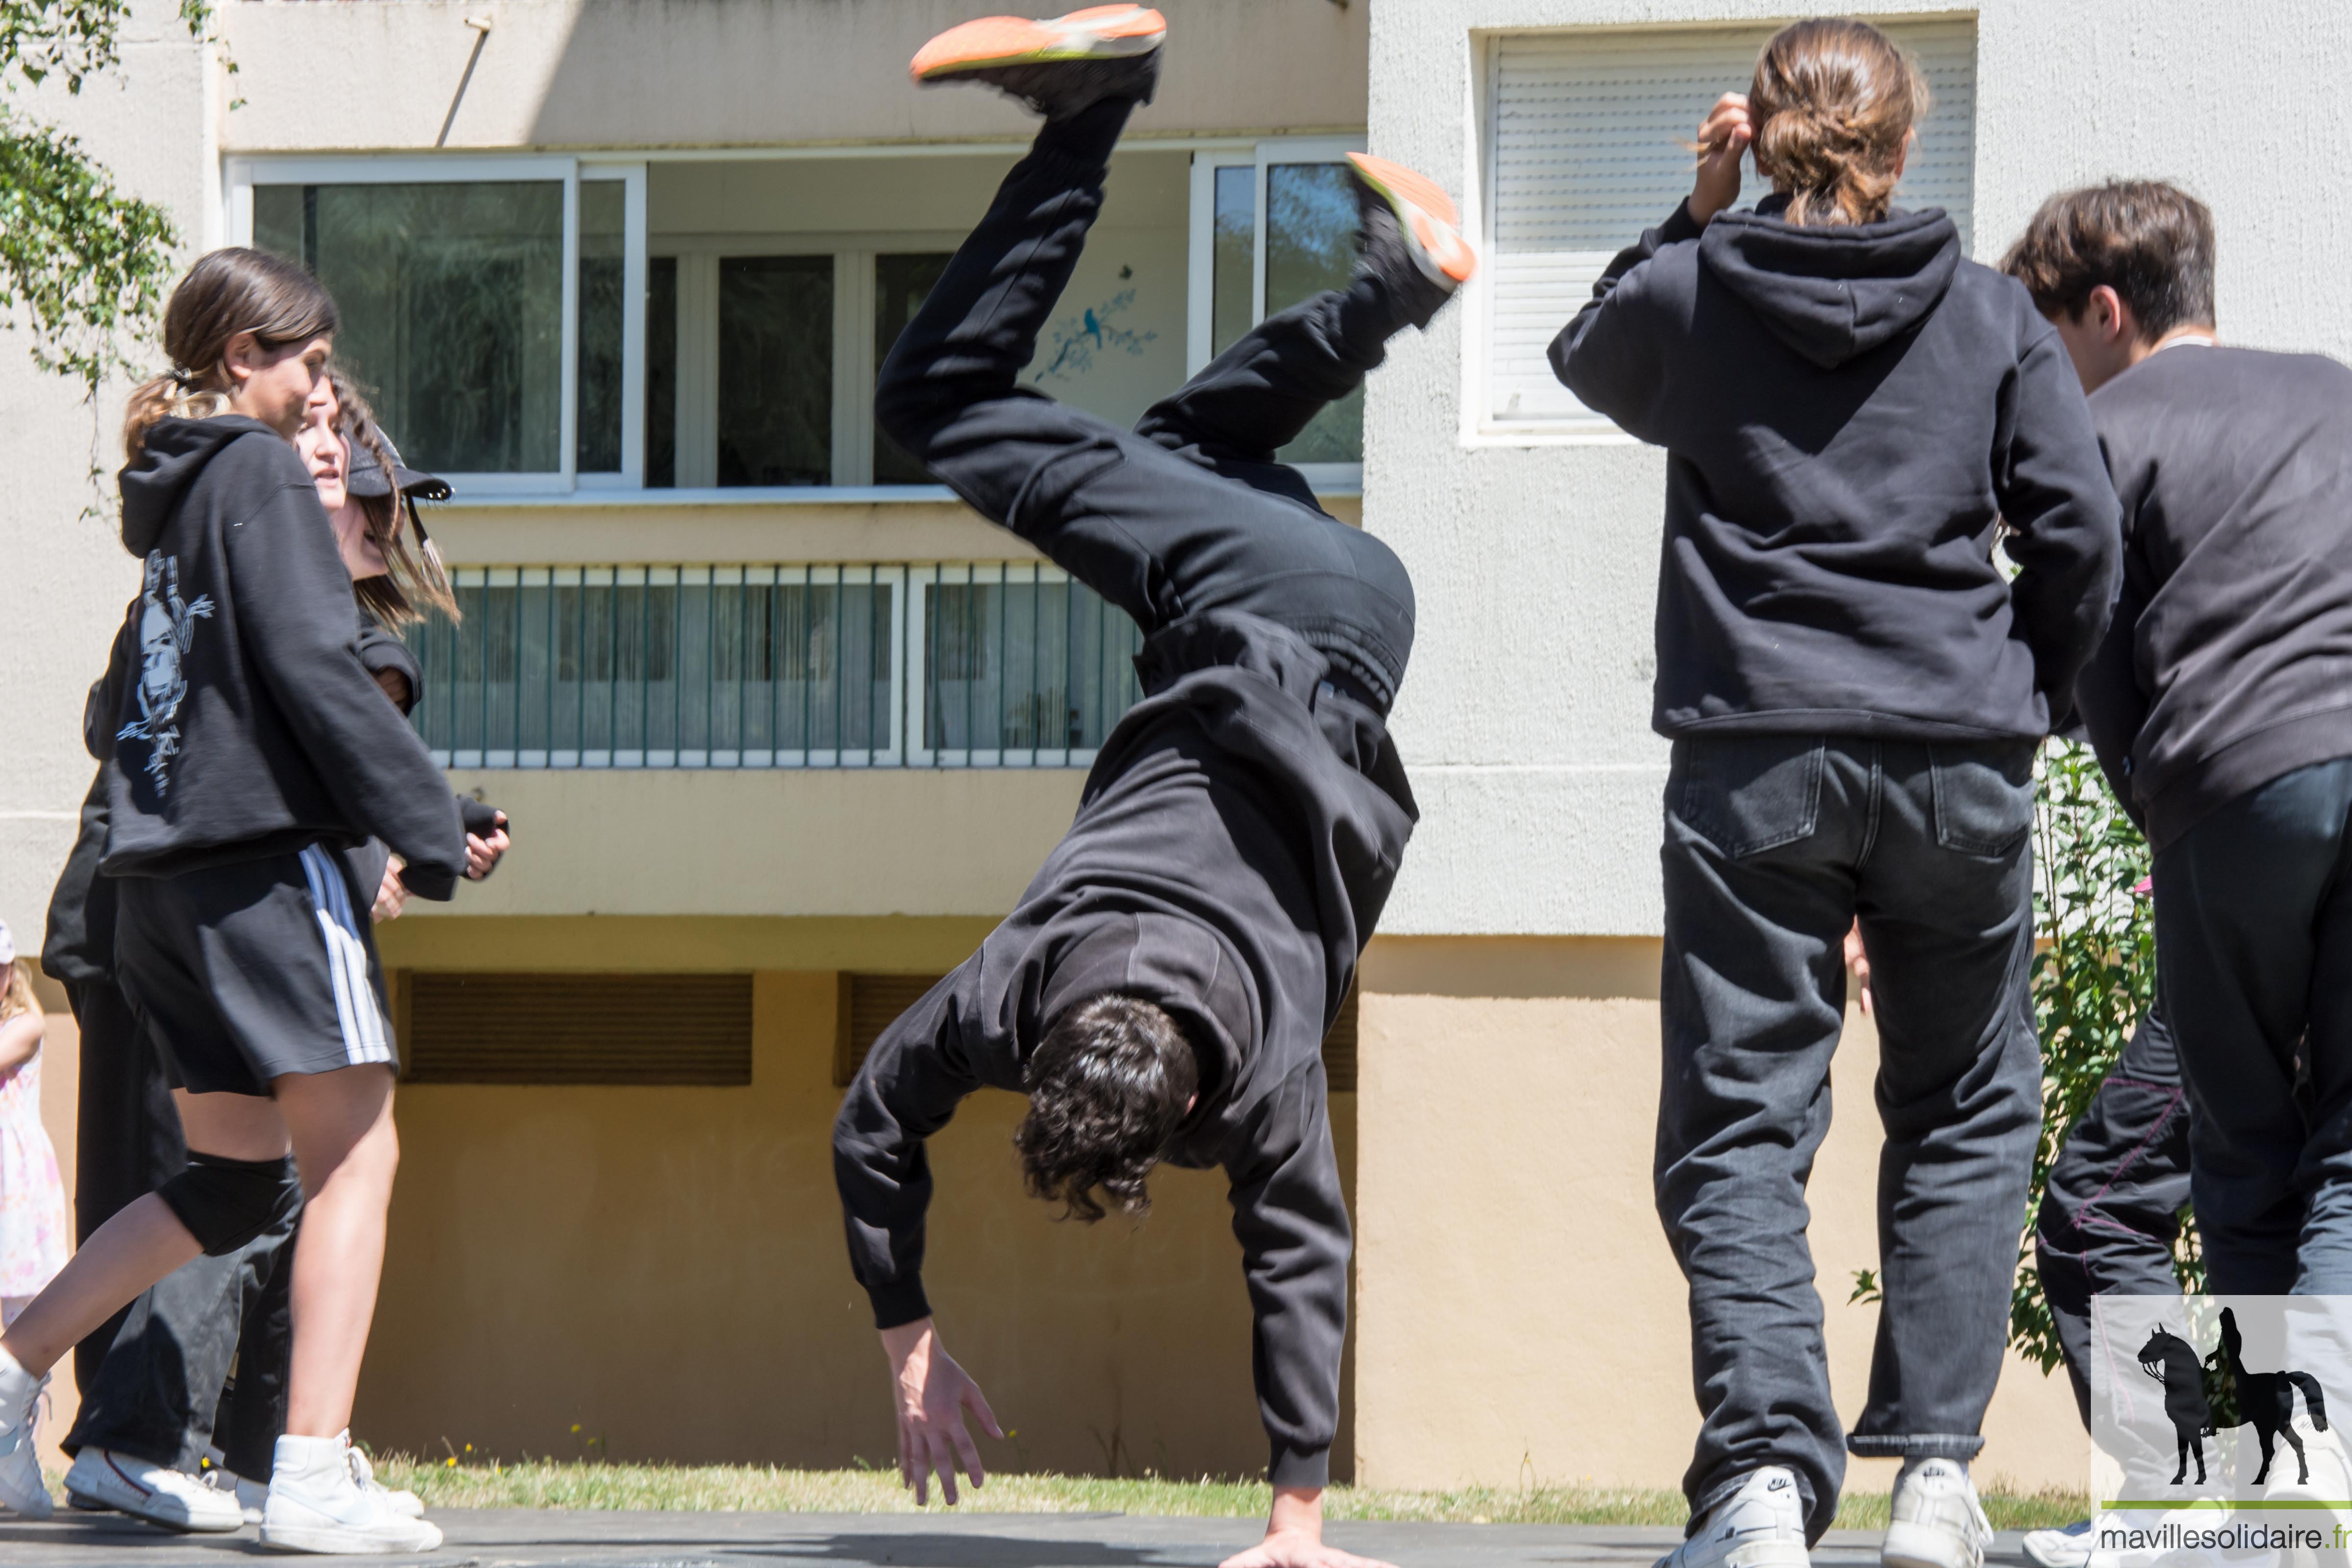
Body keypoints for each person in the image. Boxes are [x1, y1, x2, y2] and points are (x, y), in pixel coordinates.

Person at [832, 11, 1469, 1568]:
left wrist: (1296, 1522)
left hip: (1335, 627)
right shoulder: (1003, 994)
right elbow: (866, 1126)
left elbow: (1300, 1251)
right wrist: (900, 1328)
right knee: (941, 405)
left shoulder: (1253, 1061)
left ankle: (1355, 253)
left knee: (1159, 433)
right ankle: (1136, 137)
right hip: (1260, 601)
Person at [1549, 20, 2121, 1568]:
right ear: (1900, 144)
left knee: (1738, 1125)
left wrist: (1695, 211)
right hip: (1957, 752)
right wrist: (2037, 694)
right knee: (1963, 1106)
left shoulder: (1693, 286)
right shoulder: (1994, 312)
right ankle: (1934, 1479)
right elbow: (2077, 529)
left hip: (1755, 756)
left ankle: (1757, 1487)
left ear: (1764, 133)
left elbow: (1582, 352)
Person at [0, 247, 467, 1554]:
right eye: (311, 364)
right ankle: (311, 1470)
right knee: (356, 1156)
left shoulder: (181, 504)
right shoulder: (257, 472)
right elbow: (320, 671)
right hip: (259, 873)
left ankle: (6, 1379)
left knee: (226, 1176)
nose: (327, 395)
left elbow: (117, 707)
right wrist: (421, 828)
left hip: (152, 885)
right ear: (242, 359)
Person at [2004, 186, 2352, 1293]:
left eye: (2045, 343)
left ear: (2102, 311)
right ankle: (2326, 1454)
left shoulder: (2093, 436)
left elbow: (2096, 682)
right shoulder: (2332, 390)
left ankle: (2287, 1464)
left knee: (2243, 1159)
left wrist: (2170, 825)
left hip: (2235, 785)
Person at [0, 922, 71, 1329]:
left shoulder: (26, 1025)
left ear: (12, 971)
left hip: (15, 1185)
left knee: (25, 1318)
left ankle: (29, 1394)